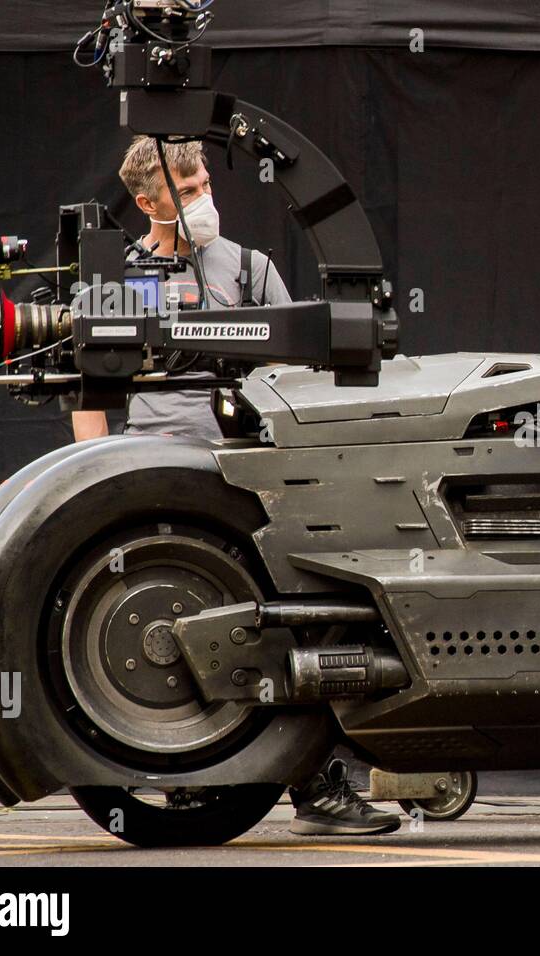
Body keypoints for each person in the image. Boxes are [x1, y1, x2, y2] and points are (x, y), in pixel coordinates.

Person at [72, 135, 400, 838]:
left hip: (246, 481)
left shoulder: (250, 268)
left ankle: (318, 788)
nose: (199, 201)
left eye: (199, 185)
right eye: (182, 192)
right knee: (171, 633)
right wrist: (91, 479)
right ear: (144, 202)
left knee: (287, 626)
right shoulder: (115, 276)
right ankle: (189, 786)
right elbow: (86, 387)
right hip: (151, 481)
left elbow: (296, 374)